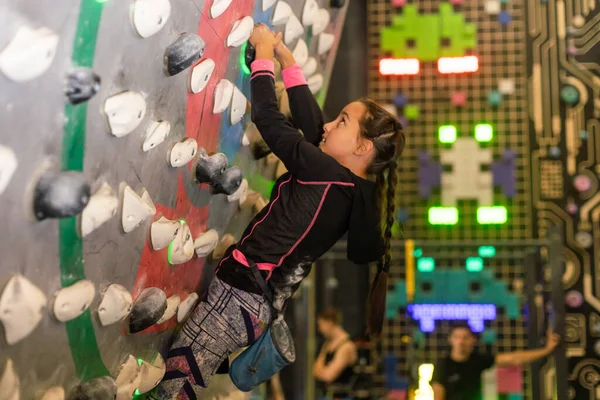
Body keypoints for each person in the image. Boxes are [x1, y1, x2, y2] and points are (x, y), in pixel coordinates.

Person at [150, 24, 405, 399]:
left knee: (175, 388)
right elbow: (315, 125)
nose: (331, 124)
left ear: (363, 148)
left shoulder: (324, 173)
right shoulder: (351, 188)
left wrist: (264, 55)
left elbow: (269, 120)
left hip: (238, 298)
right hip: (255, 307)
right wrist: (287, 58)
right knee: (181, 382)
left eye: (343, 123)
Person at [431, 323, 561, 400]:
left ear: (473, 340)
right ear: (450, 340)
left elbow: (514, 358)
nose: (461, 342)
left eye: (465, 338)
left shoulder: (478, 360)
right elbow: (438, 393)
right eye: (457, 337)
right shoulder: (443, 365)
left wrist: (546, 350)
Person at [313, 308, 358, 399]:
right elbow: (314, 371)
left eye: (321, 325)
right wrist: (323, 372)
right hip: (326, 396)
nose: (320, 329)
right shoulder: (327, 344)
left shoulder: (346, 346)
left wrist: (322, 371)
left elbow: (329, 376)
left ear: (329, 323)